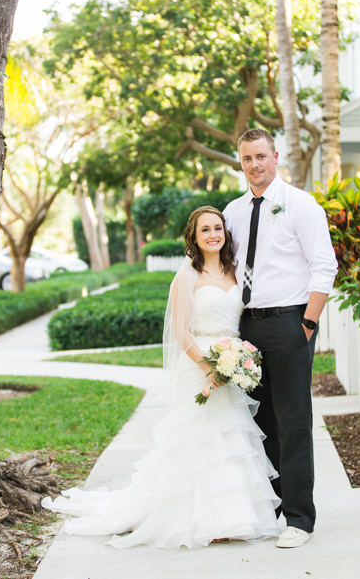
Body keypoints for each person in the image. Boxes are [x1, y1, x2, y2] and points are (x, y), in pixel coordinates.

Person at [42, 206, 281, 548]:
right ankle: (193, 518)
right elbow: (182, 332)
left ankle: (232, 518)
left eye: (218, 228)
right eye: (205, 230)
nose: (213, 234)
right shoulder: (187, 276)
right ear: (194, 238)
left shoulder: (235, 272)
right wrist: (210, 368)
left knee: (230, 440)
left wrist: (236, 363)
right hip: (199, 365)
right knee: (197, 437)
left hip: (230, 364)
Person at [223, 128, 337, 549]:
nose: (254, 165)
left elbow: (324, 266)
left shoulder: (300, 205)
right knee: (259, 422)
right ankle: (267, 510)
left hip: (291, 323)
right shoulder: (233, 211)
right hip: (247, 327)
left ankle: (299, 519)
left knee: (293, 423)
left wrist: (306, 325)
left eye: (261, 156)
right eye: (247, 159)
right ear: (241, 163)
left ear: (275, 156)